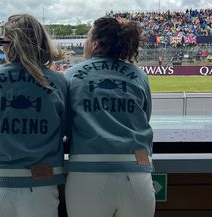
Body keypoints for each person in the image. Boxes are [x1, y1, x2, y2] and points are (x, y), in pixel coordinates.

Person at [0, 14, 68, 217]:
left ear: (10, 45)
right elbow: (64, 130)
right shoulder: (59, 82)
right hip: (42, 185)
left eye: (2, 43)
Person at [64, 16, 155, 217]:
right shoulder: (139, 75)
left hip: (87, 175)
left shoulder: (71, 75)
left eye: (86, 37)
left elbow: (64, 125)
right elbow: (144, 118)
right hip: (137, 172)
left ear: (95, 44)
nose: (84, 42)